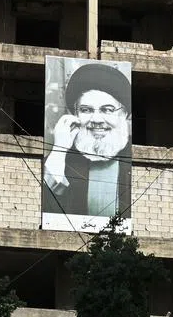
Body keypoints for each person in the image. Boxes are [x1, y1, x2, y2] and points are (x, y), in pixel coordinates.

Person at [43, 63, 132, 219]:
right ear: (75, 115)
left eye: (107, 110)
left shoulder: (137, 158)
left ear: (123, 114)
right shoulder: (62, 159)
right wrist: (59, 150)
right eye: (86, 110)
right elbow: (49, 211)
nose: (96, 119)